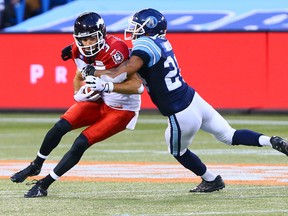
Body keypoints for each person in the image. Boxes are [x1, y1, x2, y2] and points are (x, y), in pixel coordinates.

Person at [83, 8, 288, 193]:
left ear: (149, 27)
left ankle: (211, 180)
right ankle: (270, 141)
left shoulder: (145, 44)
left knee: (177, 150)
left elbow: (126, 68)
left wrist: (100, 76)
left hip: (180, 111)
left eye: (137, 26)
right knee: (229, 135)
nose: (133, 30)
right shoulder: (161, 42)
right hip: (193, 99)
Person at [10, 11, 143, 198]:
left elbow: (137, 86)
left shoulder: (116, 51)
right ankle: (36, 164)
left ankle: (44, 184)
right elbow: (79, 75)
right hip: (100, 100)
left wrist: (105, 83)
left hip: (122, 109)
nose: (87, 44)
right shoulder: (77, 50)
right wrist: (77, 92)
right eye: (83, 40)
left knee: (81, 142)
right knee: (60, 126)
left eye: (91, 38)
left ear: (101, 35)